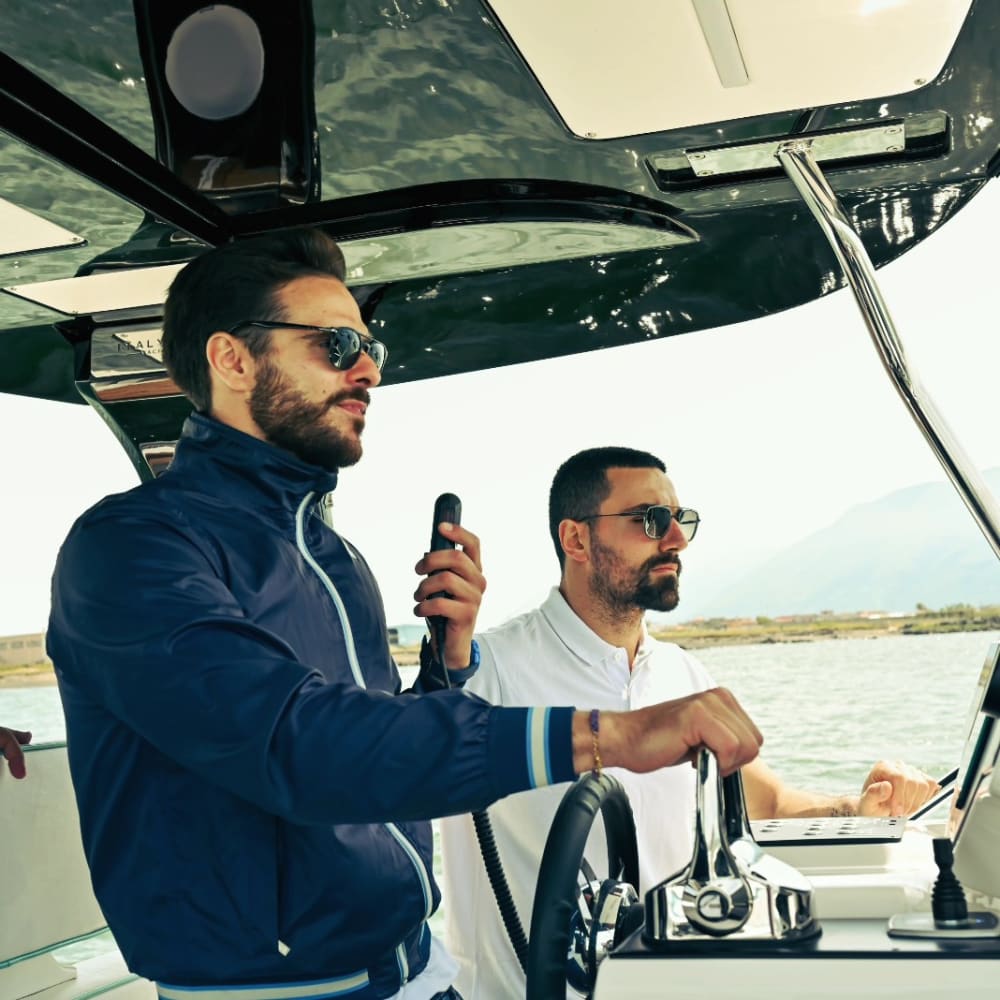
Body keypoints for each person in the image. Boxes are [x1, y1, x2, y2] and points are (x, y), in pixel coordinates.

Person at [46, 235, 763, 1000]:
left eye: (369, 346)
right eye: (338, 344)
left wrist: (446, 669)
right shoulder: (129, 549)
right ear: (232, 360)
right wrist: (608, 734)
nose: (369, 369)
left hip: (417, 971)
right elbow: (295, 743)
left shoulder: (336, 557)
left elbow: (375, 752)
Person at [439, 445, 940, 1000]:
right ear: (576, 539)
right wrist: (451, 661)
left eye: (682, 521)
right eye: (652, 520)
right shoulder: (488, 672)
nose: (676, 539)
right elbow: (413, 752)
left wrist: (859, 810)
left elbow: (766, 802)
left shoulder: (684, 675)